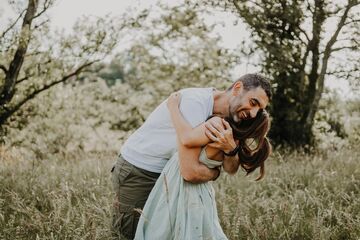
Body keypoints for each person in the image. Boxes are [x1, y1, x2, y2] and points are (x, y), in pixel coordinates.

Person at [111, 73, 272, 239]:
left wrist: (230, 150)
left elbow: (230, 168)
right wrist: (215, 173)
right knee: (129, 234)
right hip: (140, 170)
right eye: (253, 102)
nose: (253, 113)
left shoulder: (230, 119)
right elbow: (190, 171)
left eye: (259, 110)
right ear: (238, 88)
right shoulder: (194, 103)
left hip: (170, 178)